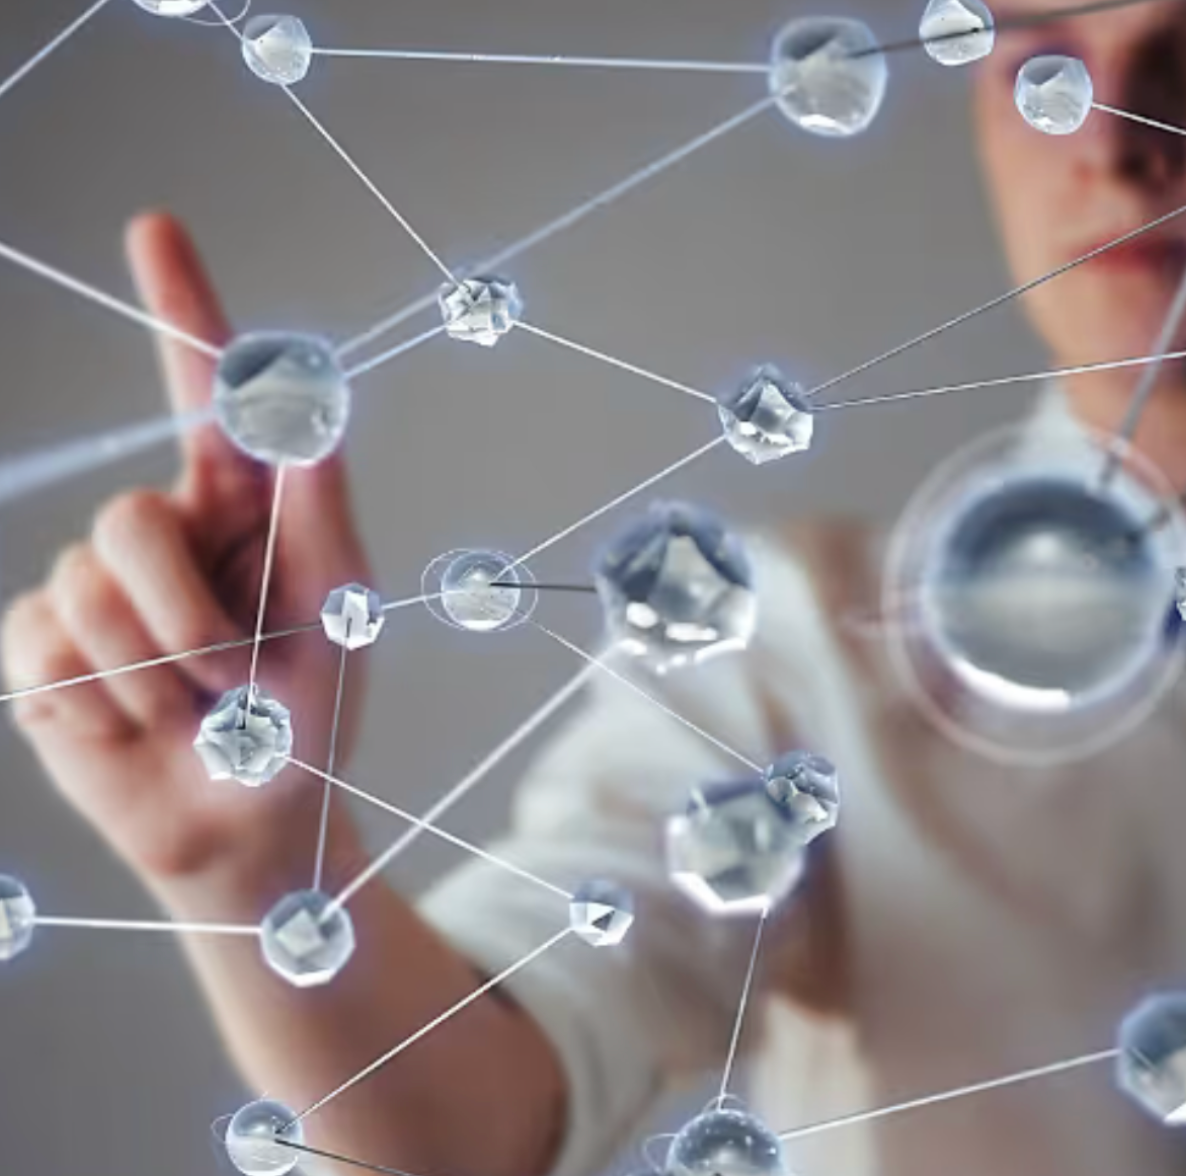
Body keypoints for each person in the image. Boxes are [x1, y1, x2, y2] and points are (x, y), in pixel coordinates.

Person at [6, 3, 1186, 1175]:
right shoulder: (789, 641)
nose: (1115, 133)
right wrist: (254, 868)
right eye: (1041, 55)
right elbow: (475, 1120)